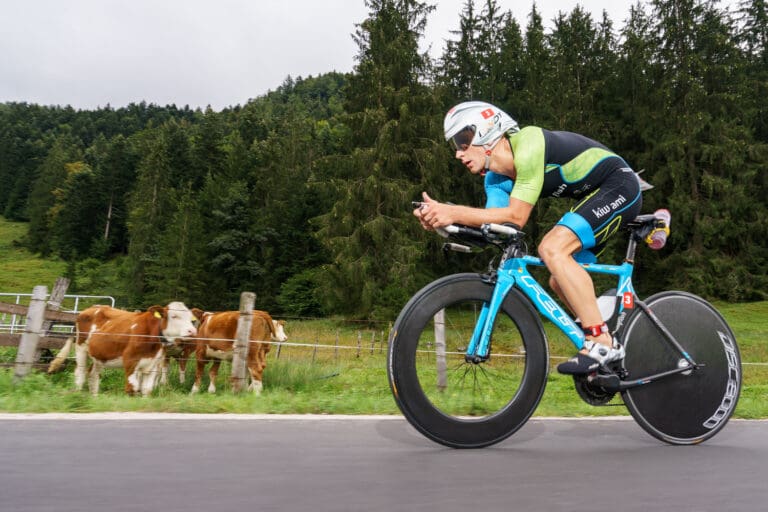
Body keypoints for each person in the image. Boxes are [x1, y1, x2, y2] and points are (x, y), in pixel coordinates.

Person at [414, 100, 643, 374]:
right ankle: (611, 339)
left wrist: (453, 212)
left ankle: (600, 342)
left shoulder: (529, 142)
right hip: (595, 195)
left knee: (552, 249)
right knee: (559, 279)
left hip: (619, 184)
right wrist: (444, 223)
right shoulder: (496, 178)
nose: (458, 153)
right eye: (455, 145)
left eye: (464, 141)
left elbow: (515, 216)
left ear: (489, 129)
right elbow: (495, 226)